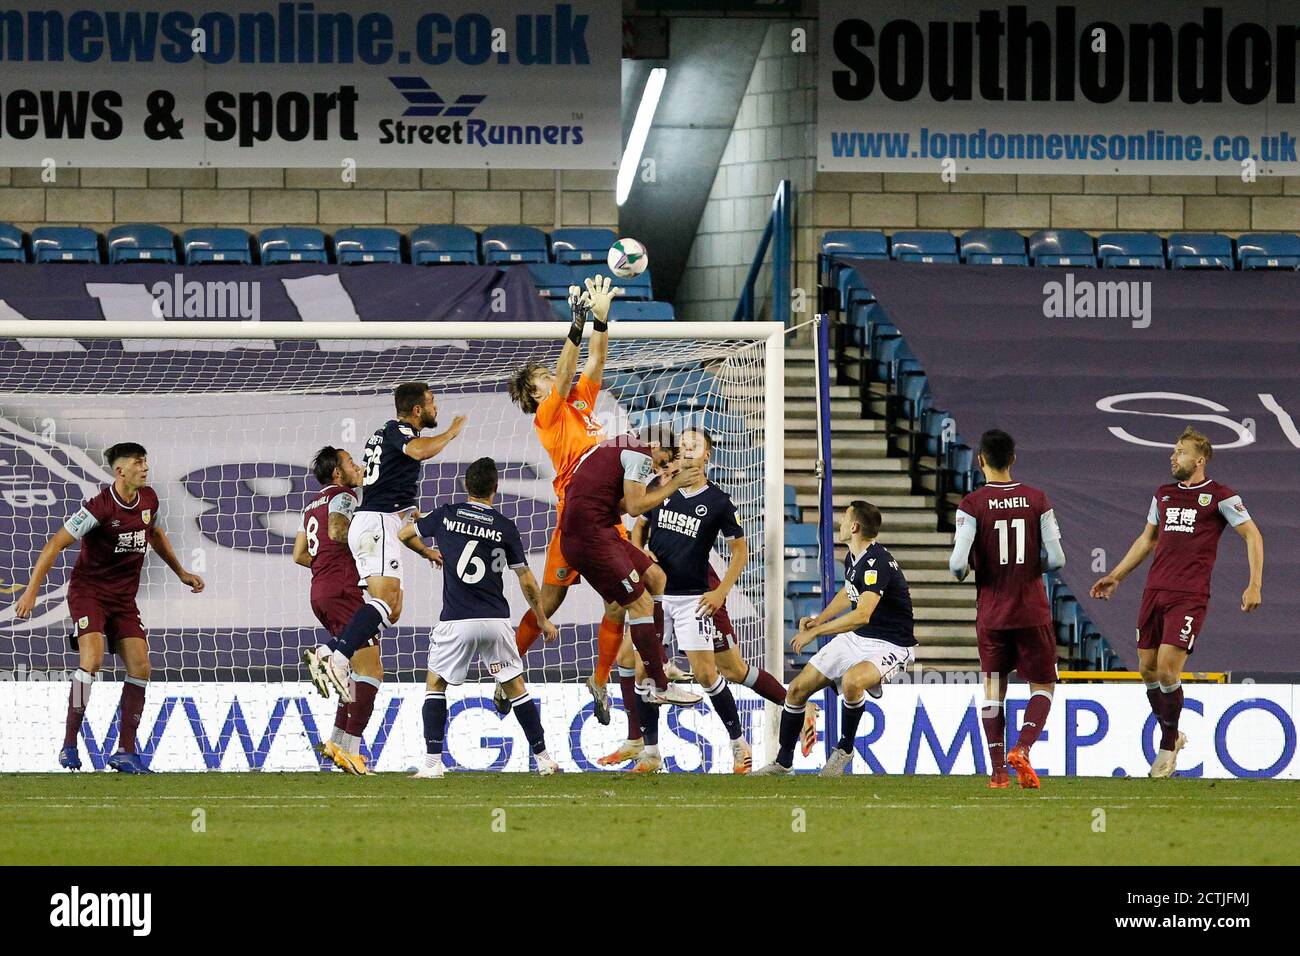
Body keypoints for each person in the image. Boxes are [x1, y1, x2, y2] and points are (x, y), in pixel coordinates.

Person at [13, 442, 205, 773]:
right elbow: (54, 544)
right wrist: (32, 591)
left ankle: (125, 752)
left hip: (123, 599)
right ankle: (70, 744)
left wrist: (182, 572)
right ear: (120, 471)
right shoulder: (98, 509)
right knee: (92, 659)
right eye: (138, 463)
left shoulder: (148, 499)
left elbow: (154, 533)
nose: (145, 467)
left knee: (142, 667)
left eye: (146, 461)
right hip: (89, 593)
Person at [1090, 426, 1263, 778]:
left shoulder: (1220, 497)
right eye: (1174, 450)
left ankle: (1167, 746)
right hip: (1155, 591)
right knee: (1147, 669)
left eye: (1180, 452)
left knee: (1169, 668)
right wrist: (1117, 575)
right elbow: (1147, 539)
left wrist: (1254, 584)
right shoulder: (1163, 495)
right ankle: (1173, 734)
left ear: (1199, 461)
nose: (1173, 456)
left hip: (1189, 595)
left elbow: (1252, 534)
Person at [505, 275, 628, 724]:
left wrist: (600, 319)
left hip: (606, 516)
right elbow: (564, 371)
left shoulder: (578, 401)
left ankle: (600, 680)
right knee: (549, 604)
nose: (554, 378)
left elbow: (595, 360)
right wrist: (573, 327)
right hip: (574, 517)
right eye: (544, 377)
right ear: (537, 391)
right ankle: (507, 670)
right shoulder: (547, 412)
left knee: (620, 600)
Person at [303, 383, 465, 703]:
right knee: (387, 604)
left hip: (382, 523)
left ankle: (332, 651)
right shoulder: (399, 430)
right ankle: (334, 656)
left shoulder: (385, 435)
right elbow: (419, 451)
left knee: (392, 610)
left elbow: (394, 501)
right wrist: (451, 432)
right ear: (417, 409)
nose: (437, 408)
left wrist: (426, 550)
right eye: (432, 403)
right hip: (375, 523)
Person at [399, 458, 561, 777]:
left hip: (456, 620)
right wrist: (542, 618)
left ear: (465, 487)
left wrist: (429, 552)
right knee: (515, 686)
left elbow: (405, 534)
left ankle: (432, 763)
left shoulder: (446, 515)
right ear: (495, 490)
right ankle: (544, 760)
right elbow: (526, 579)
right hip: (495, 621)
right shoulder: (504, 525)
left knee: (436, 684)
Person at [753, 501, 914, 777]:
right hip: (857, 637)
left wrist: (816, 632)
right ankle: (783, 763)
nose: (839, 522)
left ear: (854, 526)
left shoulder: (878, 563)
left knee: (853, 681)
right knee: (797, 689)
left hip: (890, 643)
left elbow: (862, 614)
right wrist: (820, 619)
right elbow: (848, 593)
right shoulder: (855, 557)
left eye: (844, 517)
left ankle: (844, 750)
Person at [949, 429, 1065, 789]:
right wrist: (1029, 567)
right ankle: (1024, 748)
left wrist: (977, 568)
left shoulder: (971, 505)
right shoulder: (1037, 499)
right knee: (1043, 685)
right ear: (1013, 458)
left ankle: (998, 771)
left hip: (993, 613)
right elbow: (1058, 559)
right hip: (1031, 609)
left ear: (980, 460)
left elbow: (956, 565)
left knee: (993, 688)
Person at [293, 446, 382, 775]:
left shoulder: (310, 506)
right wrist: (369, 554)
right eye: (350, 463)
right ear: (337, 473)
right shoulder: (344, 497)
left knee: (354, 672)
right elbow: (336, 532)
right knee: (371, 672)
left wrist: (327, 568)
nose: (357, 467)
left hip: (321, 590)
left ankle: (338, 744)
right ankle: (353, 749)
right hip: (345, 591)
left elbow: (299, 554)